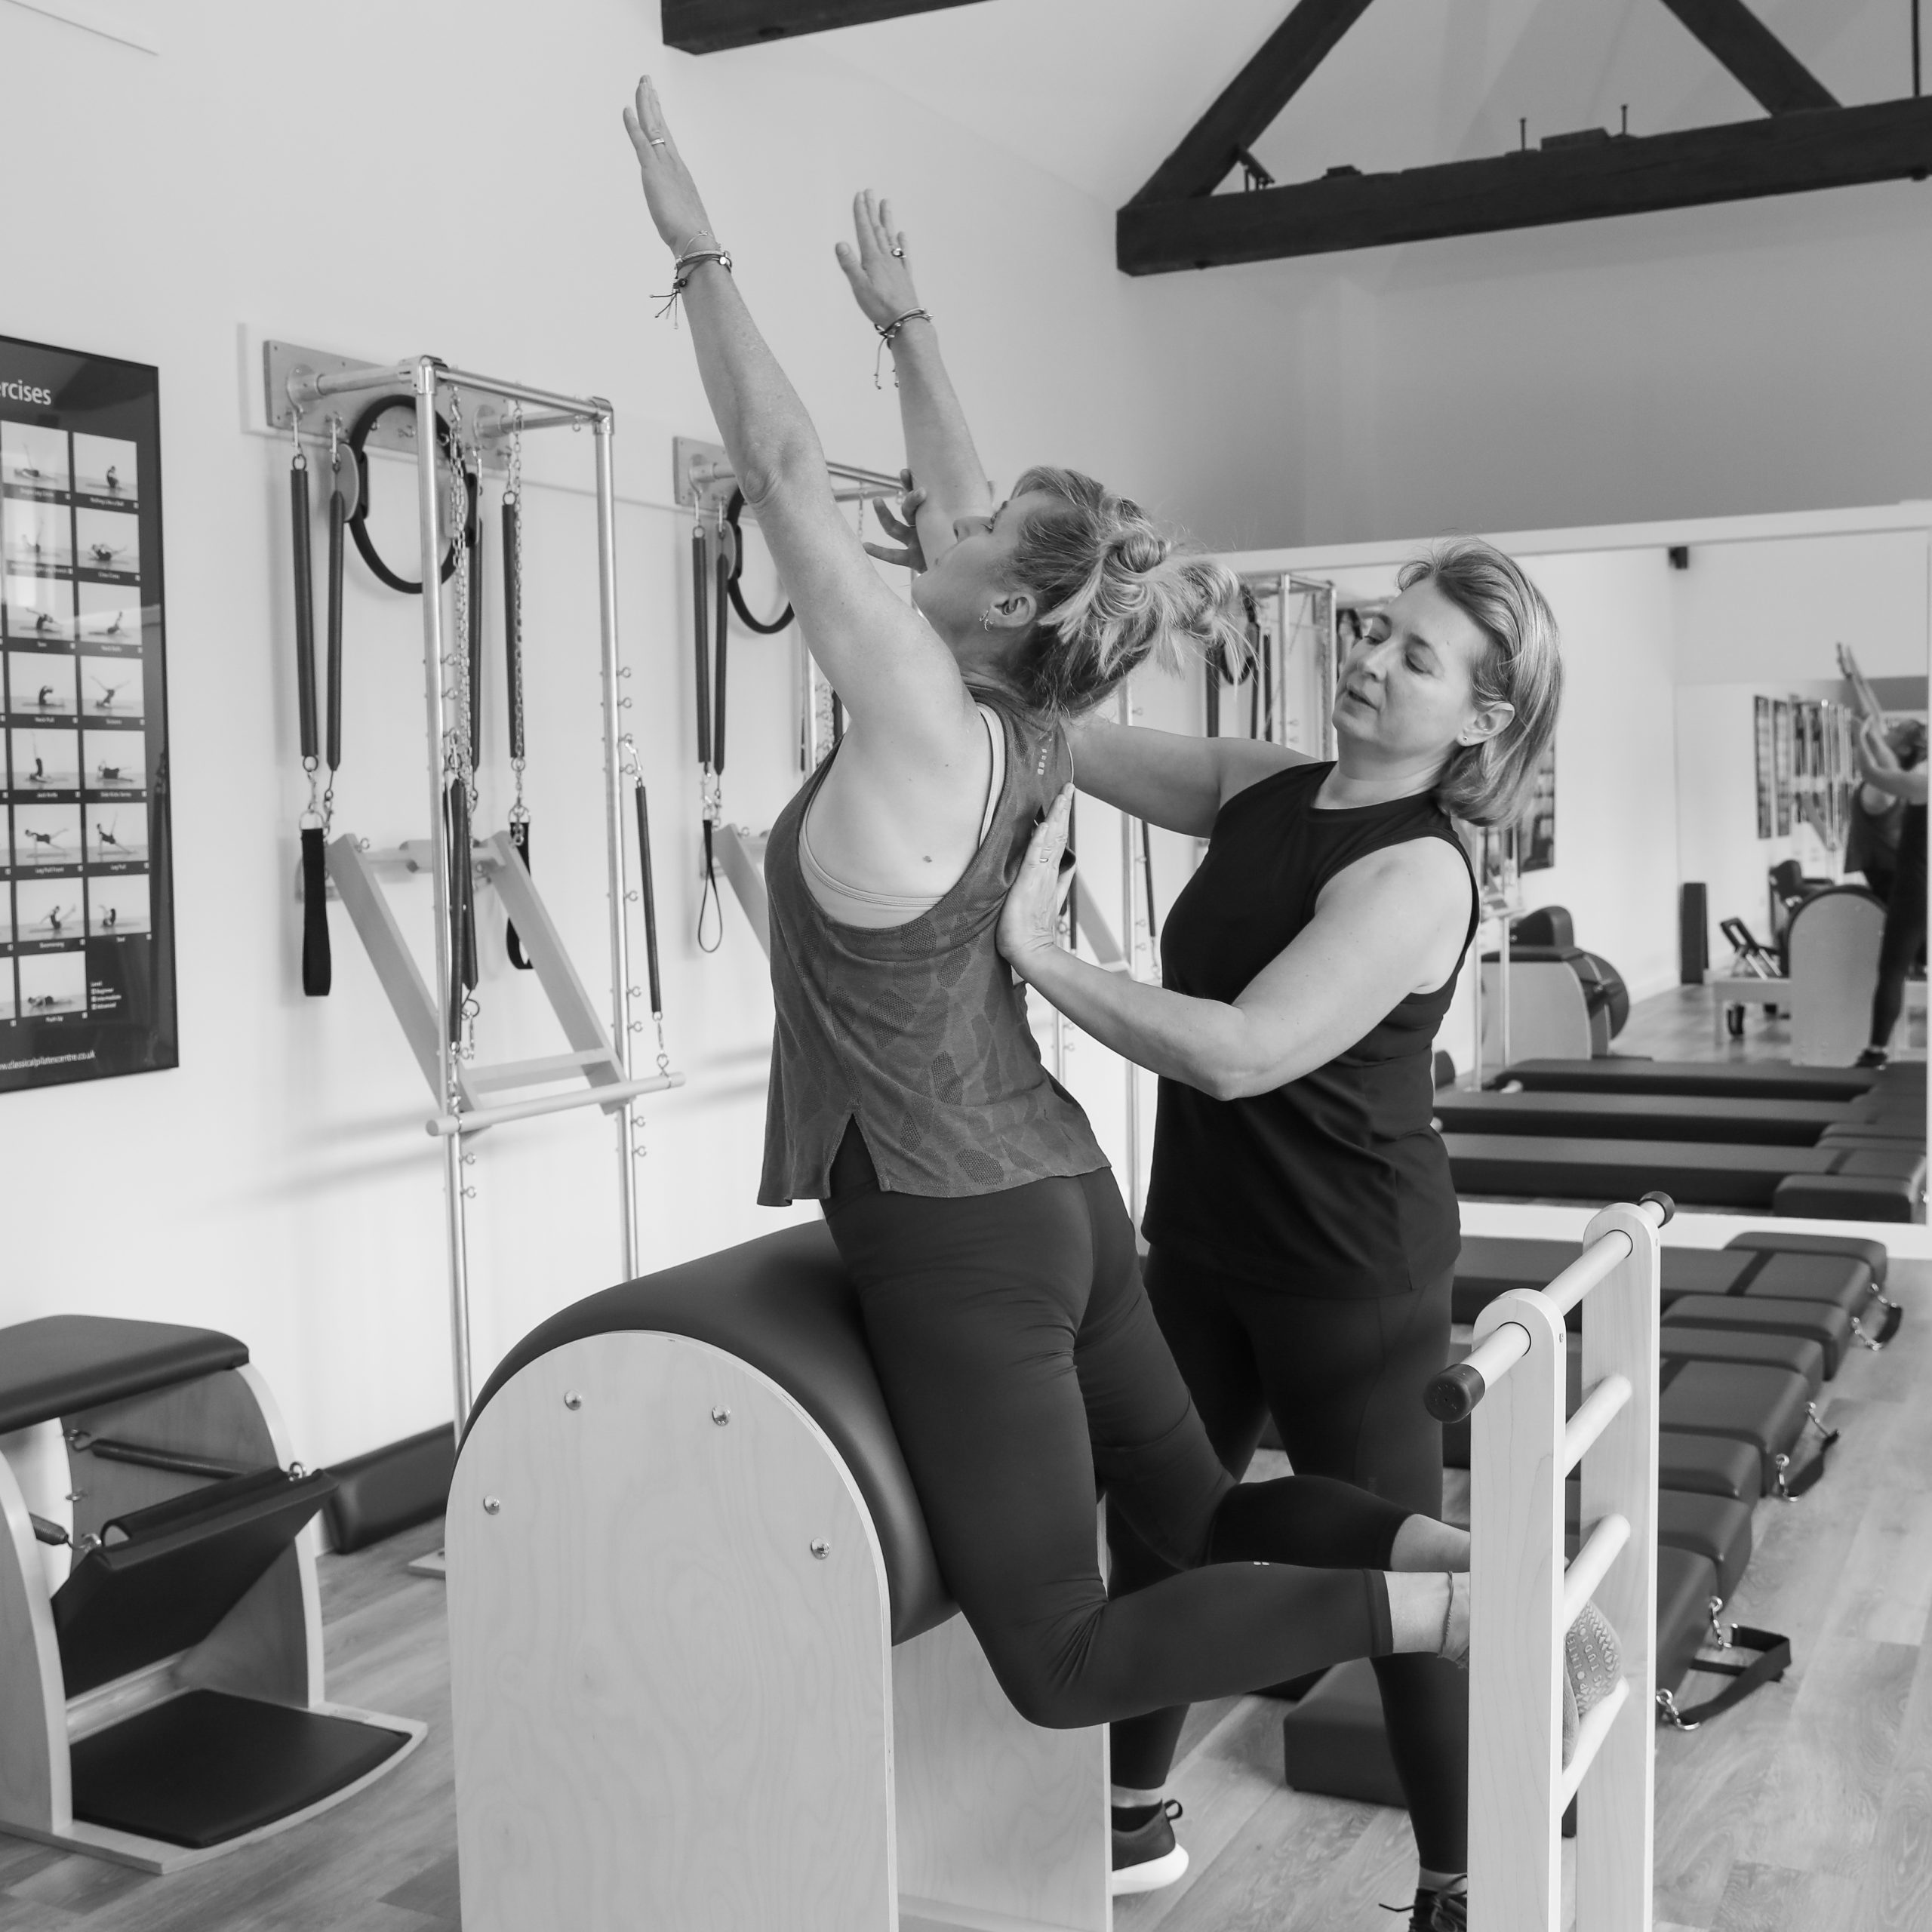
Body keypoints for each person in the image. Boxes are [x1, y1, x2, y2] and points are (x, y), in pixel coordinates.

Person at [621, 66, 1478, 1826]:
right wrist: (908, 325)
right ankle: (1452, 1547)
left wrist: (699, 251)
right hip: (1066, 1192)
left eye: (960, 547)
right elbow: (982, 516)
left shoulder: (934, 717)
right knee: (1201, 1514)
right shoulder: (1024, 707)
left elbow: (781, 467)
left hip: (959, 1227)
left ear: (999, 600)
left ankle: (1440, 1600)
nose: (920, 537)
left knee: (1062, 1651)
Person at [998, 543, 1563, 1931]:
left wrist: (1039, 954)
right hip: (1199, 1242)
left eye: (1414, 657)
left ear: (1482, 718)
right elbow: (1057, 735)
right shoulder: (1267, 787)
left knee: (1406, 1575)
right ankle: (1130, 1819)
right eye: (1376, 632)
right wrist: (1019, 611)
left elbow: (1243, 1051)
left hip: (1347, 1274)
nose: (1369, 662)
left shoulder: (1423, 874)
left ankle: (1462, 1887)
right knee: (1159, 1533)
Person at [1855, 715, 1927, 1066]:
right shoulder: (1919, 781)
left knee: (1894, 970)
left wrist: (1858, 735)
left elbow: (1871, 771)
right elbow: (1887, 764)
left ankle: (1876, 1051)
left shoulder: (1922, 784)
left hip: (1915, 891)